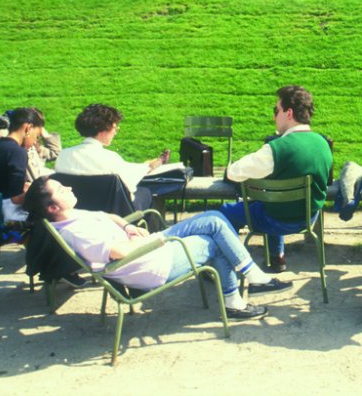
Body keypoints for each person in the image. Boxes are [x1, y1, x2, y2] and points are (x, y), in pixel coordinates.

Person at [24, 176, 290, 319]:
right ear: (52, 207)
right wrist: (153, 240)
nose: (68, 187)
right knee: (215, 241)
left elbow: (110, 217)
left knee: (215, 219)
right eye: (60, 189)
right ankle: (244, 291)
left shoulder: (70, 215)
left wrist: (128, 227)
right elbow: (118, 253)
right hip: (151, 264)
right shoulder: (78, 231)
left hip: (149, 248)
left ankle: (249, 282)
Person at [220, 85, 333, 273]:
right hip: (308, 217)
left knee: (226, 211)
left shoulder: (275, 149)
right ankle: (277, 256)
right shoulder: (323, 143)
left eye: (276, 110)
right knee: (274, 199)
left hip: (276, 219)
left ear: (288, 113)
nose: (274, 116)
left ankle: (227, 268)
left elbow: (233, 172)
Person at [0, 107, 46, 298]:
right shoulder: (17, 152)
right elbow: (15, 197)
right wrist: (36, 190)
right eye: (36, 135)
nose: (35, 142)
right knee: (47, 224)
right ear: (28, 128)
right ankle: (52, 270)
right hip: (4, 223)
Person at [54, 104, 169, 211]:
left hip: (76, 210)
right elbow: (129, 186)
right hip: (111, 214)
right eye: (114, 128)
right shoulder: (109, 158)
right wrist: (150, 166)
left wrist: (149, 165)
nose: (115, 132)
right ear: (102, 131)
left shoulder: (63, 155)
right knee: (145, 193)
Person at [0, 110, 61, 183]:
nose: (36, 140)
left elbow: (55, 153)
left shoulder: (30, 146)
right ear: (28, 128)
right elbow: (15, 189)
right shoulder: (10, 145)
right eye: (36, 135)